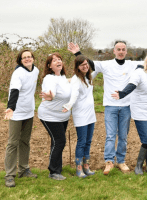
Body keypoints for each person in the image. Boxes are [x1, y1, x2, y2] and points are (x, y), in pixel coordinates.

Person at [68, 38, 147, 175]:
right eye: (118, 49)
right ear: (114, 51)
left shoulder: (132, 65)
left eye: (123, 49)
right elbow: (88, 64)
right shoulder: (106, 64)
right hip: (110, 106)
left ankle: (121, 161)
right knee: (110, 135)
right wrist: (77, 53)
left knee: (123, 136)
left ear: (126, 51)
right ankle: (109, 162)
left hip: (126, 106)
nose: (121, 52)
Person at [111, 51, 147, 176]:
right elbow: (132, 85)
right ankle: (139, 165)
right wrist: (122, 93)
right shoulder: (139, 73)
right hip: (141, 112)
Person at [4, 49, 39, 187]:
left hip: (29, 112)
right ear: (20, 60)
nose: (27, 59)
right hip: (16, 113)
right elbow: (14, 90)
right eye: (24, 57)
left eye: (29, 56)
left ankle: (24, 169)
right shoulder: (18, 73)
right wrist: (11, 108)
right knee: (13, 143)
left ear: (33, 59)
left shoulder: (35, 70)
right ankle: (10, 175)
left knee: (25, 141)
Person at [38, 53, 72, 181]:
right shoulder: (49, 78)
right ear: (49, 66)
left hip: (62, 116)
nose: (58, 61)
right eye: (54, 60)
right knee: (60, 141)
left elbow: (67, 82)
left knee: (56, 142)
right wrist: (49, 96)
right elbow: (50, 91)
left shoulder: (62, 77)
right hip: (50, 116)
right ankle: (53, 171)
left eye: (59, 59)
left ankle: (58, 168)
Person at [62, 55, 96, 178]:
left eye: (86, 64)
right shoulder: (76, 80)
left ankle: (86, 167)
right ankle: (79, 169)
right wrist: (69, 105)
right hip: (81, 115)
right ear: (77, 67)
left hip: (91, 114)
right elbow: (74, 95)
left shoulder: (88, 78)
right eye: (82, 65)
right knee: (82, 142)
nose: (85, 66)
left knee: (88, 141)